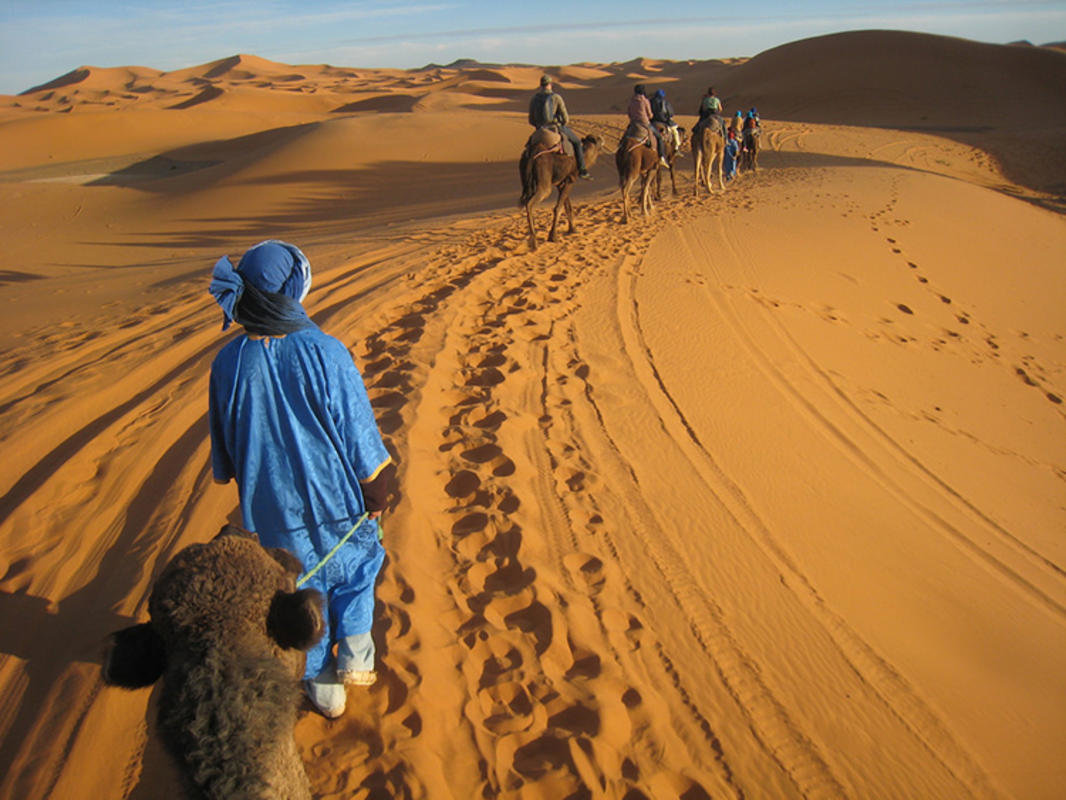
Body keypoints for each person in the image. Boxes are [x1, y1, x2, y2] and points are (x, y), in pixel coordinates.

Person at [207, 240, 397, 719]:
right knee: (356, 575)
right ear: (292, 290)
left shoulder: (227, 364)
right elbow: (359, 435)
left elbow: (225, 448)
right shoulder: (326, 352)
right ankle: (354, 661)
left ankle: (320, 684)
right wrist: (378, 486)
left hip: (272, 510)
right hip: (338, 502)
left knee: (300, 592)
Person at [528, 74, 591, 179]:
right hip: (555, 127)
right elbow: (566, 118)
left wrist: (539, 126)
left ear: (541, 85)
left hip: (539, 129)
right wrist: (561, 124)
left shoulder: (534, 99)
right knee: (577, 143)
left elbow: (531, 120)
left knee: (528, 149)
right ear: (550, 84)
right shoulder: (556, 97)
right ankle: (582, 170)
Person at [628, 84, 669, 167]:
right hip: (644, 123)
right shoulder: (645, 101)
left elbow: (629, 112)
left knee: (626, 136)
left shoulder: (632, 101)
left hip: (633, 123)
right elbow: (650, 115)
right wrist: (649, 116)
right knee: (659, 137)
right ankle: (661, 157)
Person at [650, 88, 681, 152]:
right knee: (675, 131)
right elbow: (671, 113)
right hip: (664, 121)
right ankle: (677, 147)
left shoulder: (650, 102)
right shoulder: (665, 103)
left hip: (652, 121)